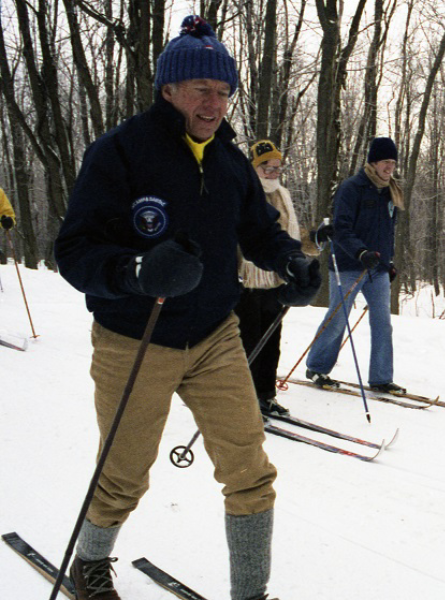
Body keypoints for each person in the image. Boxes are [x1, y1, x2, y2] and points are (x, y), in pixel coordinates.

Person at [54, 16, 320, 600]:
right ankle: (90, 564)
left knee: (250, 471)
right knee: (123, 473)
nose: (214, 103)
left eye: (224, 92)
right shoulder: (120, 153)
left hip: (214, 334)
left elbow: (259, 230)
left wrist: (291, 261)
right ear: (168, 90)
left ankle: (251, 592)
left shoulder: (229, 163)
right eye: (201, 89)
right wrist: (135, 271)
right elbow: (73, 252)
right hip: (135, 336)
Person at [236, 140, 332, 417]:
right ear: (255, 167)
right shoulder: (245, 193)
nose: (274, 172)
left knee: (271, 344)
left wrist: (313, 239)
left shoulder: (283, 195)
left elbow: (289, 239)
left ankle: (266, 396)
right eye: (267, 167)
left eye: (278, 167)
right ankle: (244, 401)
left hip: (276, 282)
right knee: (249, 343)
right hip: (248, 282)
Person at [305, 137, 405, 394]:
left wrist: (389, 262)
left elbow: (388, 232)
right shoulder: (352, 188)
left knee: (383, 322)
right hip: (349, 265)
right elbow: (341, 229)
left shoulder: (390, 191)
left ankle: (381, 377)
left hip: (377, 268)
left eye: (393, 162)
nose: (389, 168)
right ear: (373, 162)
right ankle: (317, 366)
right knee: (338, 318)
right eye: (385, 162)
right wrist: (360, 252)